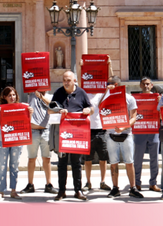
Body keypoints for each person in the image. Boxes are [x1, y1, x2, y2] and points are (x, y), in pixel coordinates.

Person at [50, 70, 93, 201]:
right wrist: (58, 110)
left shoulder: (81, 93)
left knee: (76, 163)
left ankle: (78, 190)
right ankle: (61, 191)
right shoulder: (58, 93)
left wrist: (88, 110)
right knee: (62, 163)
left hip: (78, 133)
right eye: (64, 80)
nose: (66, 82)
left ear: (74, 80)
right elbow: (49, 110)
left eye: (69, 80)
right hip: (63, 134)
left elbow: (91, 108)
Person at [100, 76, 141, 198]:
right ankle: (115, 188)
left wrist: (124, 127)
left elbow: (134, 117)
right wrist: (106, 92)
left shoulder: (129, 98)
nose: (109, 85)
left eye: (111, 83)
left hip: (126, 134)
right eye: (107, 83)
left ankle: (133, 188)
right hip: (111, 134)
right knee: (114, 163)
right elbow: (100, 107)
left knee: (129, 162)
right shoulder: (106, 97)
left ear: (117, 84)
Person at [0, 86, 33, 200]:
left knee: (14, 165)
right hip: (2, 140)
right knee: (2, 166)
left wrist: (30, 113)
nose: (12, 97)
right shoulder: (0, 108)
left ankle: (13, 190)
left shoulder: (22, 107)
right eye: (9, 95)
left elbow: (27, 123)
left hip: (17, 140)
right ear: (4, 97)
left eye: (14, 95)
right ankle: (1, 191)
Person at [83, 57, 113, 193]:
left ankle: (103, 181)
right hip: (88, 130)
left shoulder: (103, 93)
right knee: (87, 159)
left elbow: (111, 80)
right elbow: (80, 78)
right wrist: (81, 66)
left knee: (103, 158)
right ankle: (88, 182)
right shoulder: (84, 93)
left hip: (101, 130)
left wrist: (109, 64)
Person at [19, 90, 58, 195]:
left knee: (47, 158)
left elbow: (55, 108)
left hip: (45, 130)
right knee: (32, 159)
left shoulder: (50, 96)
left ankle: (49, 184)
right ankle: (30, 184)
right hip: (33, 130)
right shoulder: (32, 94)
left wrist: (42, 97)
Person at [132, 76, 161, 192]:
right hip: (139, 131)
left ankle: (153, 183)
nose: (146, 86)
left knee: (154, 159)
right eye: (144, 84)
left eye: (148, 84)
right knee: (138, 159)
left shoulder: (158, 98)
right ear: (140, 85)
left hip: (153, 131)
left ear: (152, 86)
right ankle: (137, 183)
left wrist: (160, 102)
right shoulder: (134, 98)